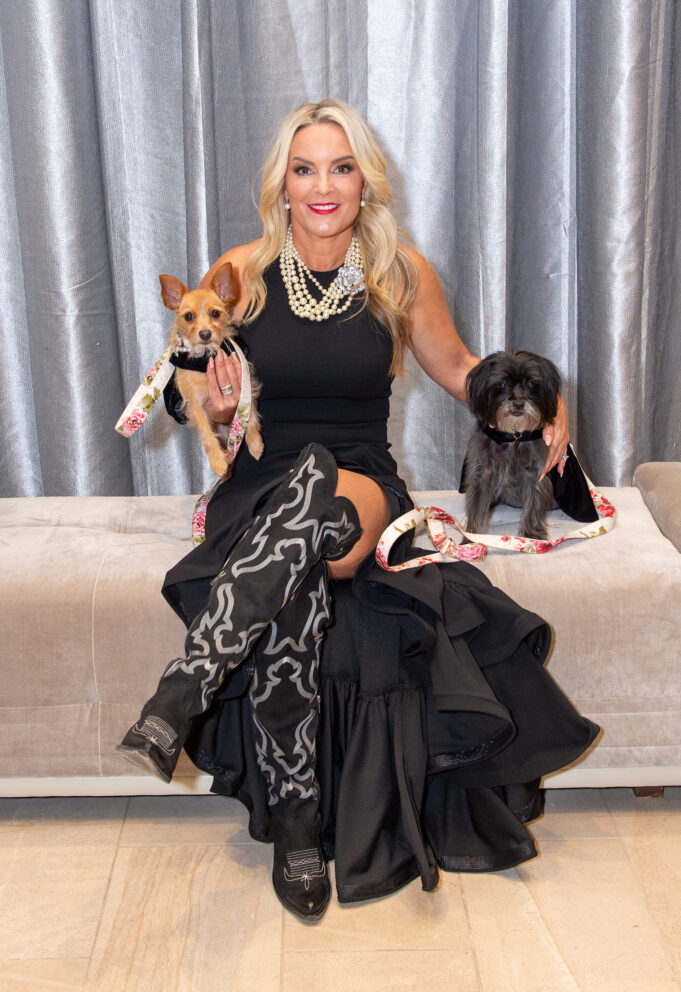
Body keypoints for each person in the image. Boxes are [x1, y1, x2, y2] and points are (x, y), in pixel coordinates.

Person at [120, 100, 597, 922]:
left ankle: (184, 690)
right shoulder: (241, 268)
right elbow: (190, 377)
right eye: (304, 168)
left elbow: (456, 366)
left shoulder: (398, 272)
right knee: (303, 522)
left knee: (327, 495)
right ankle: (300, 825)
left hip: (362, 480)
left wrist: (545, 403)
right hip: (258, 480)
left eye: (339, 167)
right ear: (282, 183)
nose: (322, 186)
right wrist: (224, 405)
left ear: (363, 178)